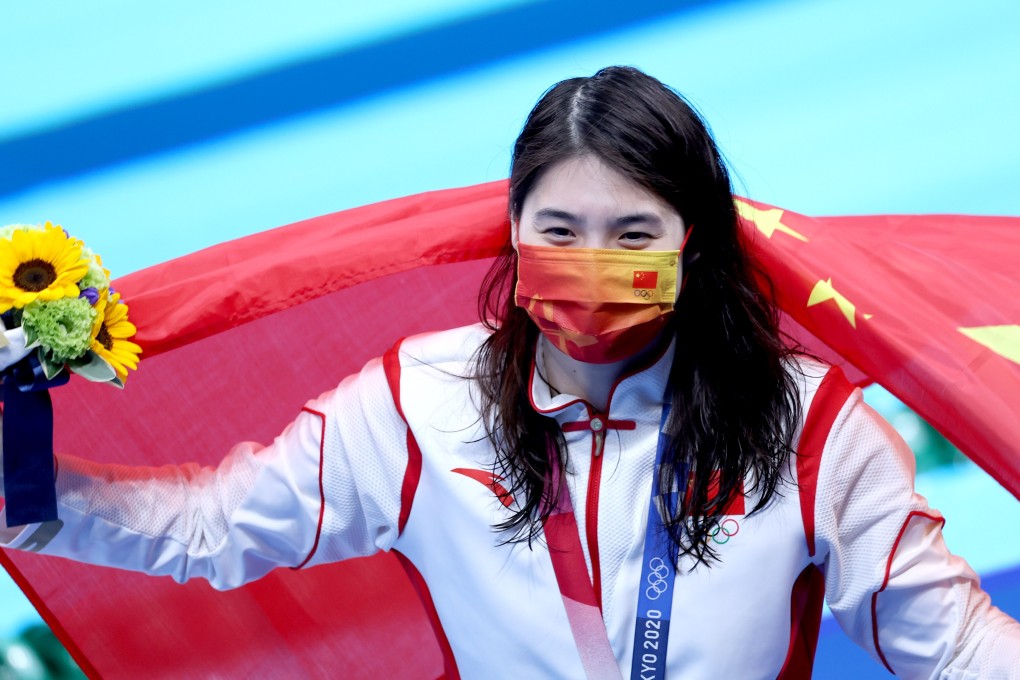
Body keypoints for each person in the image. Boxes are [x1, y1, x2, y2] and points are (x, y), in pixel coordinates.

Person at [1, 66, 1018, 679]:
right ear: (517, 237)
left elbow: (956, 651)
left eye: (631, 234)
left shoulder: (811, 426)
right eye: (560, 231)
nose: (590, 261)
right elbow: (208, 531)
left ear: (692, 246)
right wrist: (15, 460)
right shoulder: (419, 404)